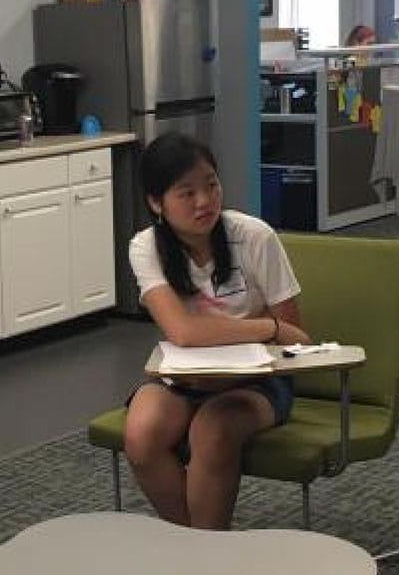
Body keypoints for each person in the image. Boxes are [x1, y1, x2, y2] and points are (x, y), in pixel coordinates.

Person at [123, 133, 311, 531]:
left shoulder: (254, 237)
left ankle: (206, 552)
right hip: (184, 380)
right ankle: (202, 545)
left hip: (256, 382)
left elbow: (295, 338)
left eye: (211, 185)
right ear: (157, 203)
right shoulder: (146, 247)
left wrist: (275, 331)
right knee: (141, 435)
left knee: (214, 430)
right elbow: (183, 332)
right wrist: (265, 327)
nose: (204, 202)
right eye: (186, 193)